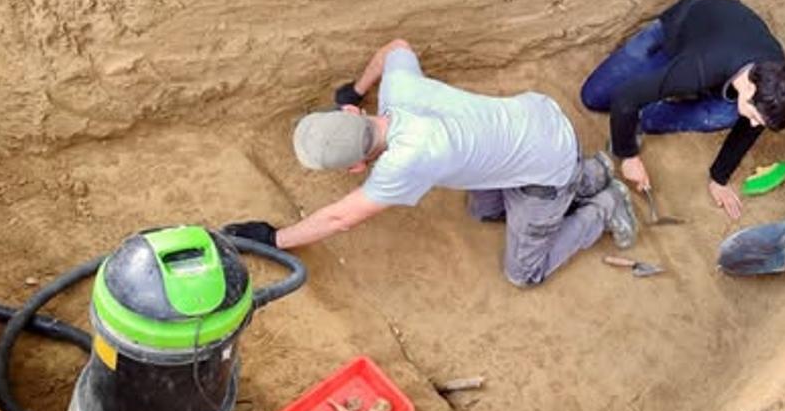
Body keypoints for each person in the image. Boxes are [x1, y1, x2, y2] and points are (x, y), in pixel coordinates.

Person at [224, 39, 637, 288]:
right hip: (534, 118)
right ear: (353, 116)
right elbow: (397, 48)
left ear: (355, 168)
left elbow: (339, 219)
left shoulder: (407, 160)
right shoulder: (398, 89)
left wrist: (274, 238)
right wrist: (355, 89)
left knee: (524, 274)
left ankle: (605, 206)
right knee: (483, 212)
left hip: (545, 166)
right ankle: (593, 171)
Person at [580, 0, 785, 220]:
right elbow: (625, 98)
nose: (753, 125)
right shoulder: (700, 68)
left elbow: (750, 128)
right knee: (595, 97)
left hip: (722, 45)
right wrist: (628, 156)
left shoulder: (774, 80)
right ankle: (653, 90)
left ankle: (643, 119)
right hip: (679, 32)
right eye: (754, 117)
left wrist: (719, 178)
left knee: (725, 114)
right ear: (749, 89)